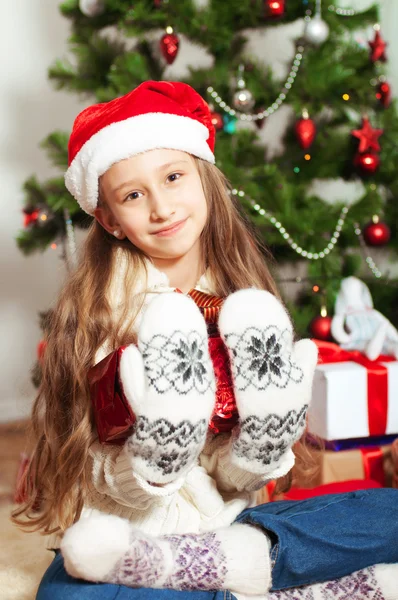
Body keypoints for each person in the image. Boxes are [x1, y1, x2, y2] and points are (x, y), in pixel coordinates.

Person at [12, 81, 398, 600]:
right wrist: (155, 459)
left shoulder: (245, 305)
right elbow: (96, 473)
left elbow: (237, 482)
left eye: (173, 177)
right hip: (135, 538)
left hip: (231, 529)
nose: (161, 207)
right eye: (132, 195)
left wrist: (259, 448)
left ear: (204, 178)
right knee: (70, 590)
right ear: (109, 220)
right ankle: (258, 584)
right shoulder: (101, 316)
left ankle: (232, 574)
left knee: (382, 513)